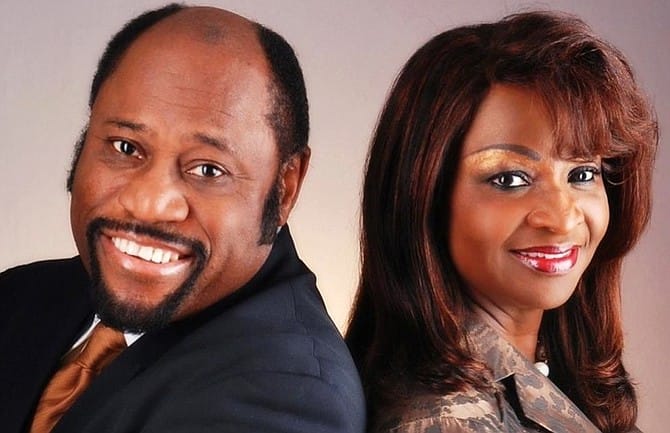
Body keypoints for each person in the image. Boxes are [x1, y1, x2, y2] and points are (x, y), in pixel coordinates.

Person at [0, 4, 365, 433]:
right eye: (125, 147)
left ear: (285, 187)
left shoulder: (287, 400)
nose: (149, 204)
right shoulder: (21, 296)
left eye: (208, 169)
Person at [346, 11, 656, 433]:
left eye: (582, 174)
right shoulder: (448, 422)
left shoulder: (556, 367)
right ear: (424, 197)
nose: (562, 217)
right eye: (510, 179)